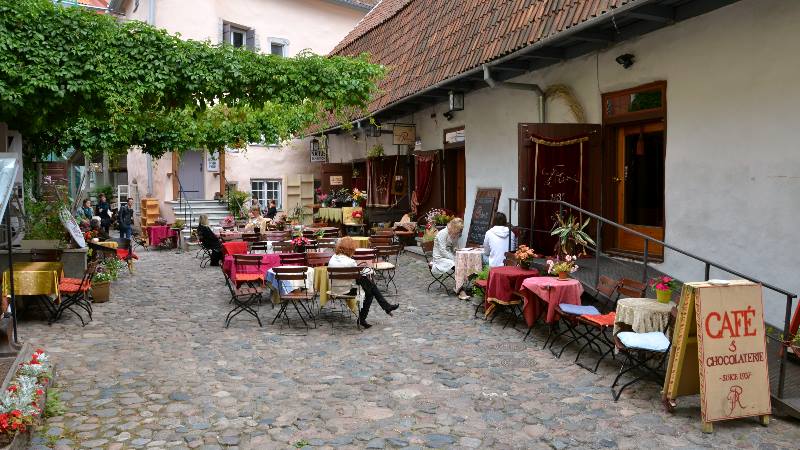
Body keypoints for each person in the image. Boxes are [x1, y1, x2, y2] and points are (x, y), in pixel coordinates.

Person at [328, 237, 398, 329]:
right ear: (350, 248)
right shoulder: (351, 262)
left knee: (368, 286)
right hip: (347, 290)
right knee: (369, 290)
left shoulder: (333, 258)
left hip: (334, 289)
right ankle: (371, 314)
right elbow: (356, 277)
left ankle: (384, 307)